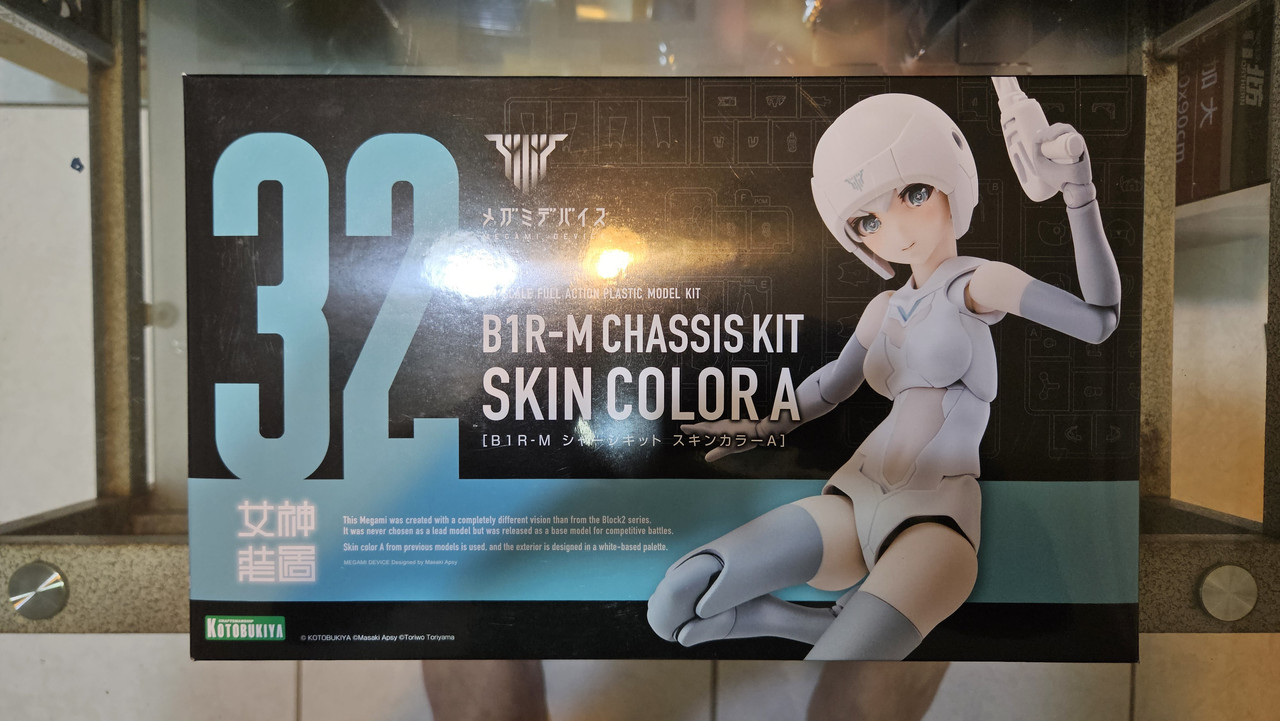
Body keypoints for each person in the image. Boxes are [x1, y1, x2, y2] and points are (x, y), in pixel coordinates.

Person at [647, 88, 1121, 660]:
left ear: (951, 183)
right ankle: (811, 622)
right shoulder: (883, 308)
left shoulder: (979, 283)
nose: (895, 231)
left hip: (935, 524)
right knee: (677, 598)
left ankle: (836, 629)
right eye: (868, 220)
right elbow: (828, 388)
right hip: (852, 500)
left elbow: (1099, 321)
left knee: (835, 672)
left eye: (913, 194)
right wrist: (759, 427)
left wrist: (1078, 191)